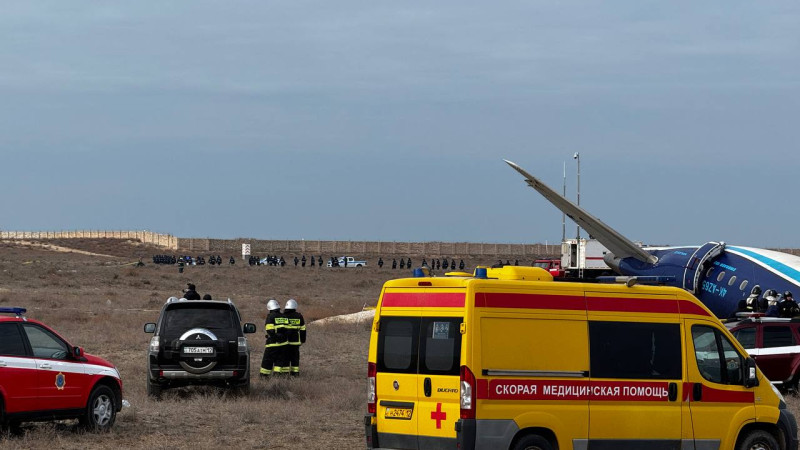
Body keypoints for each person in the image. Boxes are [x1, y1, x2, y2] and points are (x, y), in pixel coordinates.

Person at [260, 299, 288, 377]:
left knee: (267, 361)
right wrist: (281, 338)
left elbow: (269, 330)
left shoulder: (270, 316)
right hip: (283, 344)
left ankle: (264, 377)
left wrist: (275, 338)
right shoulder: (284, 316)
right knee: (279, 361)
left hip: (272, 343)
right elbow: (287, 329)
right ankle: (277, 375)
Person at [283, 298, 306, 376]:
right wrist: (303, 340)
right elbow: (303, 329)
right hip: (295, 342)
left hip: (284, 342)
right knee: (295, 358)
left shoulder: (282, 316)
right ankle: (295, 374)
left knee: (285, 358)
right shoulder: (299, 316)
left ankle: (284, 374)